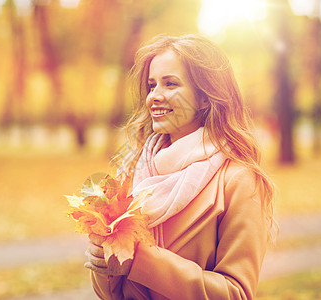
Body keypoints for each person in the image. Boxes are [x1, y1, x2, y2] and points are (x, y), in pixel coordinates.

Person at [84, 34, 276, 300]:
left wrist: (139, 260)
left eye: (170, 84)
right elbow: (112, 294)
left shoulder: (237, 181)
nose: (154, 97)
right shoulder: (133, 170)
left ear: (205, 98)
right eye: (152, 86)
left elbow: (236, 293)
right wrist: (103, 263)